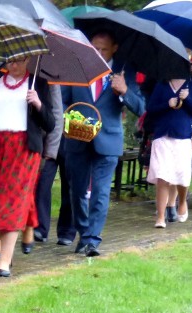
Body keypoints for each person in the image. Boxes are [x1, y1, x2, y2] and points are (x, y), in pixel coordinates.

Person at [0, 57, 55, 277]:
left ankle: (4, 261)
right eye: (10, 61)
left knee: (14, 202)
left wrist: (38, 104)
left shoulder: (39, 84)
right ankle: (8, 251)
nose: (13, 66)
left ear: (28, 60)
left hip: (23, 150)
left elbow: (50, 124)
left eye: (18, 61)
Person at [61, 30, 145, 256]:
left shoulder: (124, 72)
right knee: (77, 191)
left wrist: (124, 90)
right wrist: (66, 120)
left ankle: (92, 239)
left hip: (108, 140)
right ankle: (83, 232)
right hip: (78, 138)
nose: (98, 53)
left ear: (114, 49)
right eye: (94, 48)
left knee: (100, 191)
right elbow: (62, 102)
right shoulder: (75, 68)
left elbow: (141, 108)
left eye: (103, 49)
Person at [147, 77, 192, 227]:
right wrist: (167, 104)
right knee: (162, 176)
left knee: (181, 175)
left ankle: (182, 202)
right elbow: (151, 109)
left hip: (183, 136)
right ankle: (160, 217)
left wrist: (187, 99)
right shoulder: (161, 84)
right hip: (162, 136)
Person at [32, 85, 77, 248]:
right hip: (49, 135)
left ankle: (67, 231)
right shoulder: (47, 74)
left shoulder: (76, 75)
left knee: (69, 185)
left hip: (71, 135)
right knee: (43, 182)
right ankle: (39, 226)